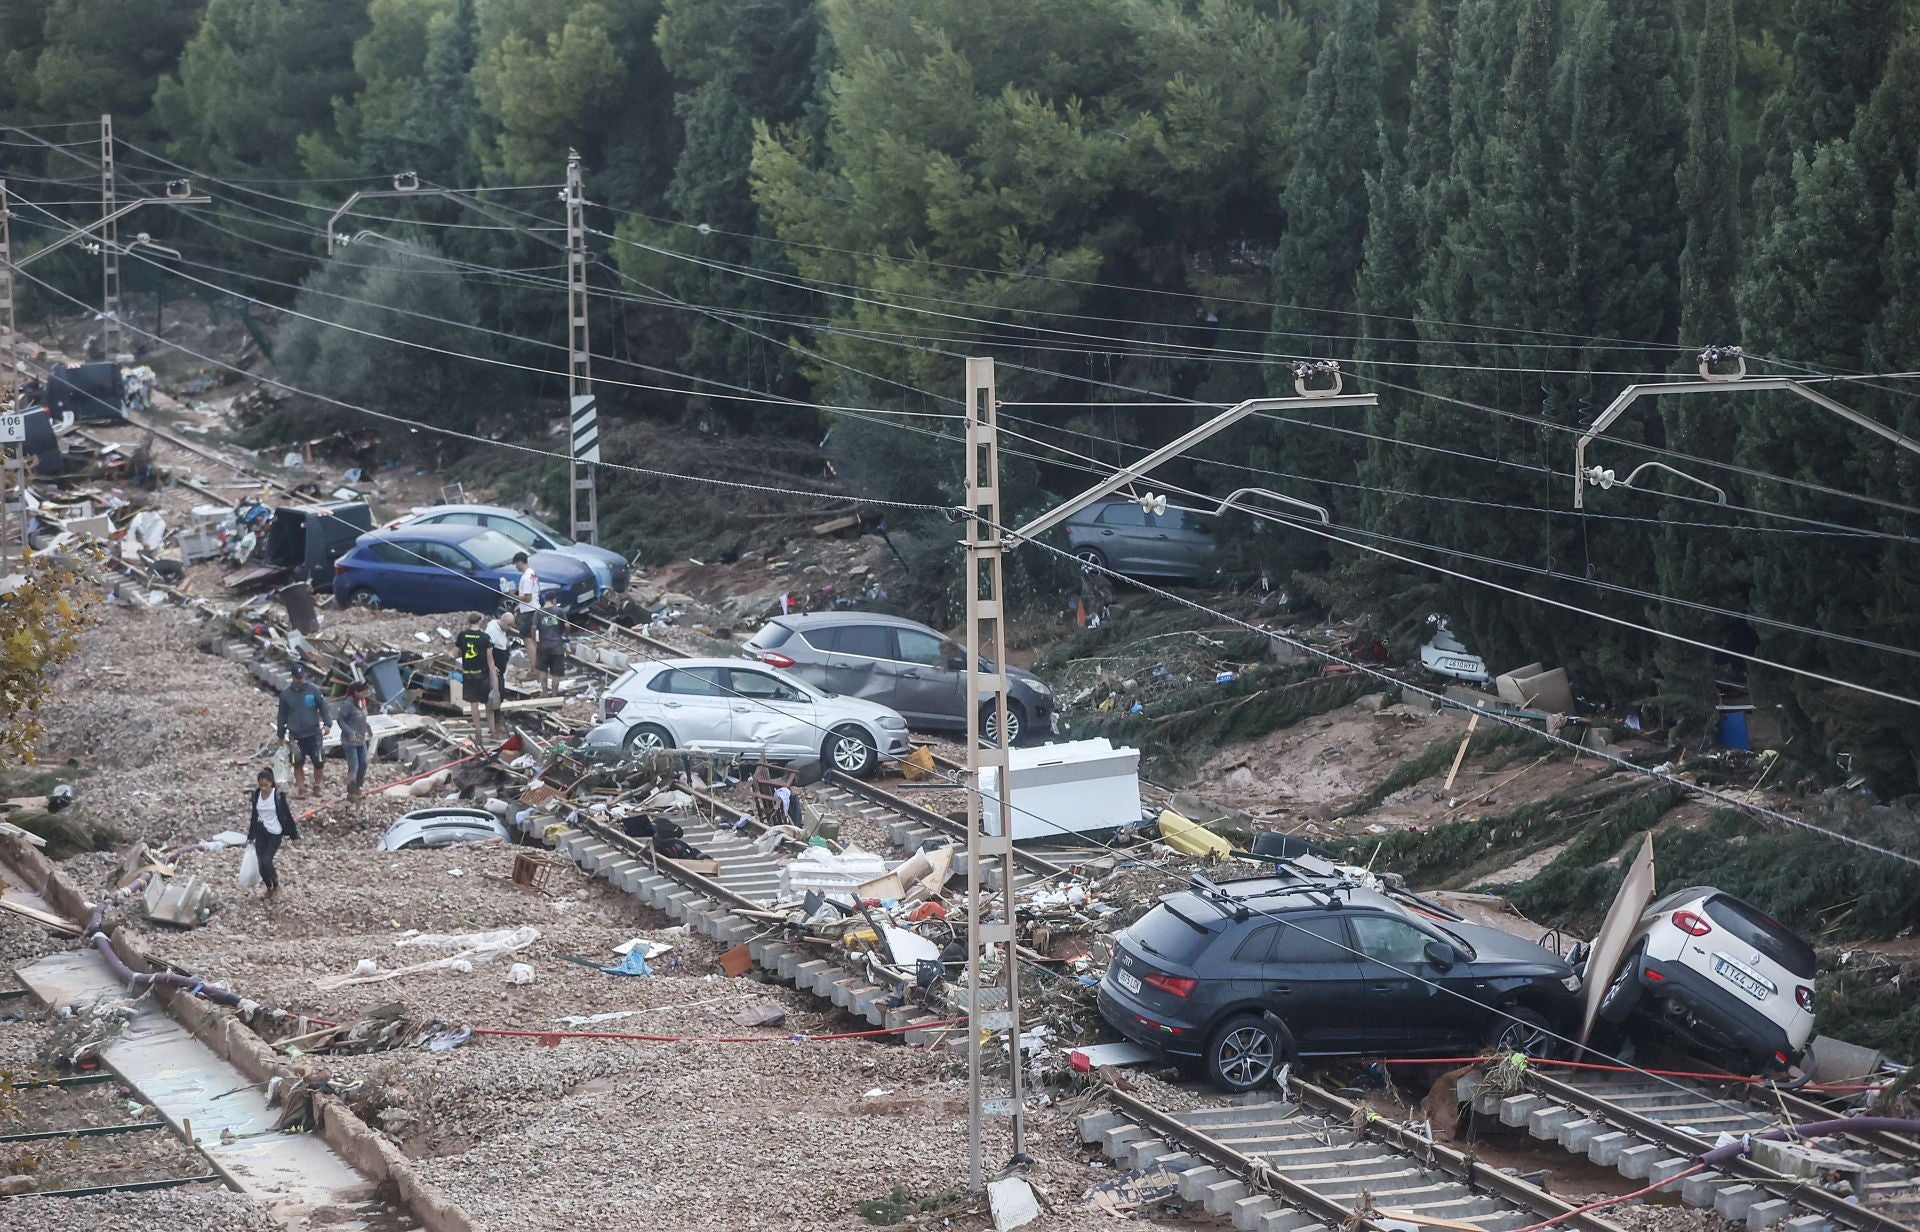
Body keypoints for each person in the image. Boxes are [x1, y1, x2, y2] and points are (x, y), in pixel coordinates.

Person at [275, 665, 334, 797]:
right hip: (296, 734)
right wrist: (280, 734)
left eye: (302, 677)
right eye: (298, 678)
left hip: (314, 732)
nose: (300, 680)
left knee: (319, 760)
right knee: (297, 762)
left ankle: (317, 786)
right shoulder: (286, 695)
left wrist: (327, 724)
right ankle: (301, 788)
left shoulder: (313, 690)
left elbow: (323, 707)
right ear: (293, 677)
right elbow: (282, 715)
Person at [245, 767, 299, 897]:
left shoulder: (278, 796)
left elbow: (287, 815)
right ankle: (268, 887)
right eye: (261, 785)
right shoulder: (256, 795)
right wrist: (251, 835)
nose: (263, 788)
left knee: (267, 860)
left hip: (275, 832)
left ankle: (275, 884)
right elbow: (254, 816)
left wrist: (294, 834)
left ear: (271, 783)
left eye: (266, 785)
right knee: (260, 864)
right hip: (261, 832)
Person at [453, 613, 497, 741]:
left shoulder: (462, 635)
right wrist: (494, 677)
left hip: (468, 674)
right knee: (488, 704)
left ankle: (478, 733)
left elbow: (454, 653)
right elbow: (490, 660)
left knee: (474, 705)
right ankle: (493, 731)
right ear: (480, 621)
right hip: (482, 675)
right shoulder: (485, 638)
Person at [337, 681, 373, 800]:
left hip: (361, 740)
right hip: (350, 741)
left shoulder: (362, 702)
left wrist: (368, 728)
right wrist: (349, 732)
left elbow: (362, 718)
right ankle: (351, 791)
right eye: (364, 692)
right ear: (356, 692)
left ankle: (358, 787)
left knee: (363, 764)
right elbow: (340, 720)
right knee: (354, 766)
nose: (366, 694)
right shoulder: (348, 704)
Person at [534, 593, 567, 694]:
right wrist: (564, 633)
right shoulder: (560, 611)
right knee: (556, 673)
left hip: (543, 645)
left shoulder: (538, 612)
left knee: (542, 670)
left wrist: (534, 640)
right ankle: (554, 694)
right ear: (554, 600)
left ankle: (544, 693)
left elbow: (534, 628)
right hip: (557, 646)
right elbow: (567, 625)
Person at [513, 551, 540, 645]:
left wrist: (513, 596)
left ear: (520, 562)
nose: (516, 567)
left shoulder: (526, 578)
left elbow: (528, 598)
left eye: (516, 564)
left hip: (528, 611)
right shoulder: (531, 572)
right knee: (533, 637)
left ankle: (533, 660)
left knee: (527, 639)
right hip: (535, 608)